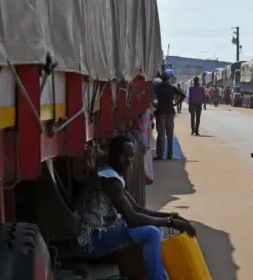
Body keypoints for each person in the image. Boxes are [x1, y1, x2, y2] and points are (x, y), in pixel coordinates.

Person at [77, 135, 196, 280]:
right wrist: (171, 222)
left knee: (155, 229)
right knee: (151, 232)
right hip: (93, 239)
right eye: (123, 155)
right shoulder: (109, 180)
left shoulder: (112, 176)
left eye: (131, 156)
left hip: (105, 230)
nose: (128, 161)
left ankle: (152, 274)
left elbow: (137, 209)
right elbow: (132, 218)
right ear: (112, 154)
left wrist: (171, 216)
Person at [154, 72, 185, 160]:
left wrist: (154, 104)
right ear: (167, 79)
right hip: (170, 112)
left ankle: (160, 155)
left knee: (161, 135)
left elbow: (149, 95)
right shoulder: (171, 87)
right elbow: (183, 95)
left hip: (160, 112)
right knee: (170, 135)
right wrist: (176, 104)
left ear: (161, 78)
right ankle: (170, 154)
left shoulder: (157, 87)